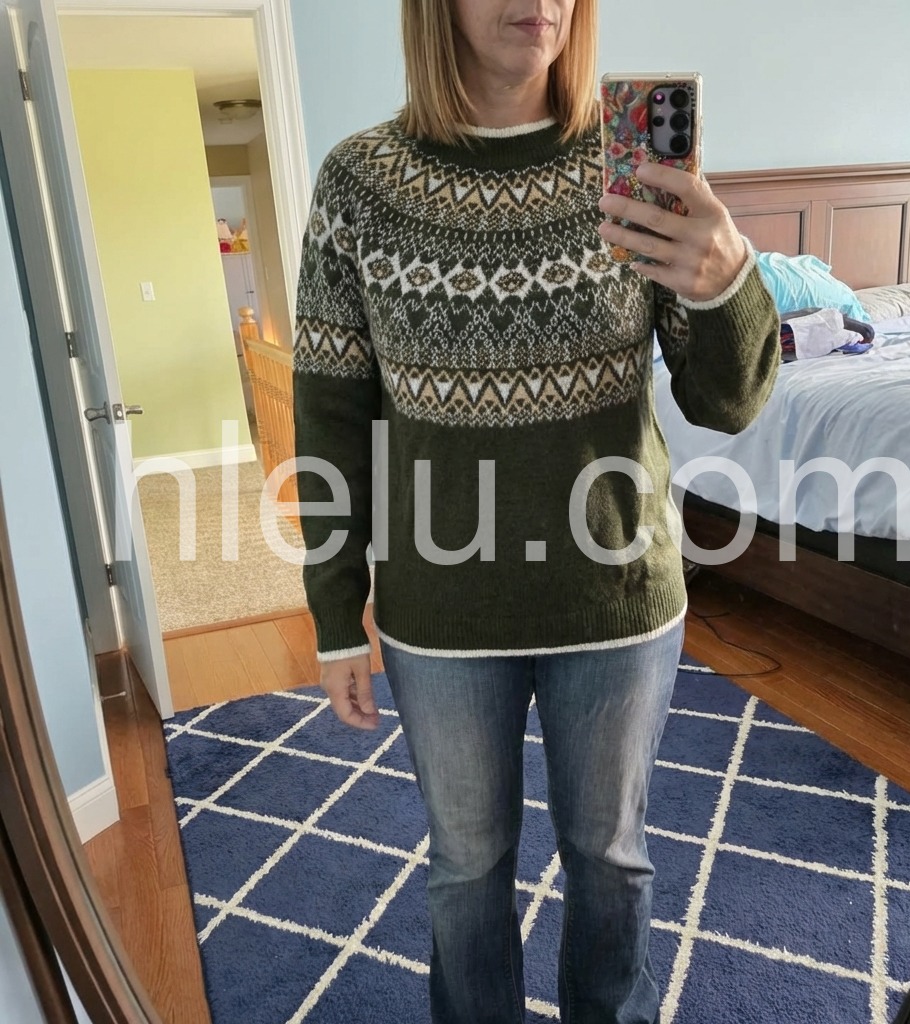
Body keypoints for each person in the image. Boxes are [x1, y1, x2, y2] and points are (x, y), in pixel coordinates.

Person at [292, 1, 780, 1020]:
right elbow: (330, 417)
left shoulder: (632, 169)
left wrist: (728, 279)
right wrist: (335, 614)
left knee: (611, 860)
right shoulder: (357, 184)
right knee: (466, 867)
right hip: (441, 616)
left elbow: (727, 403)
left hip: (615, 601)